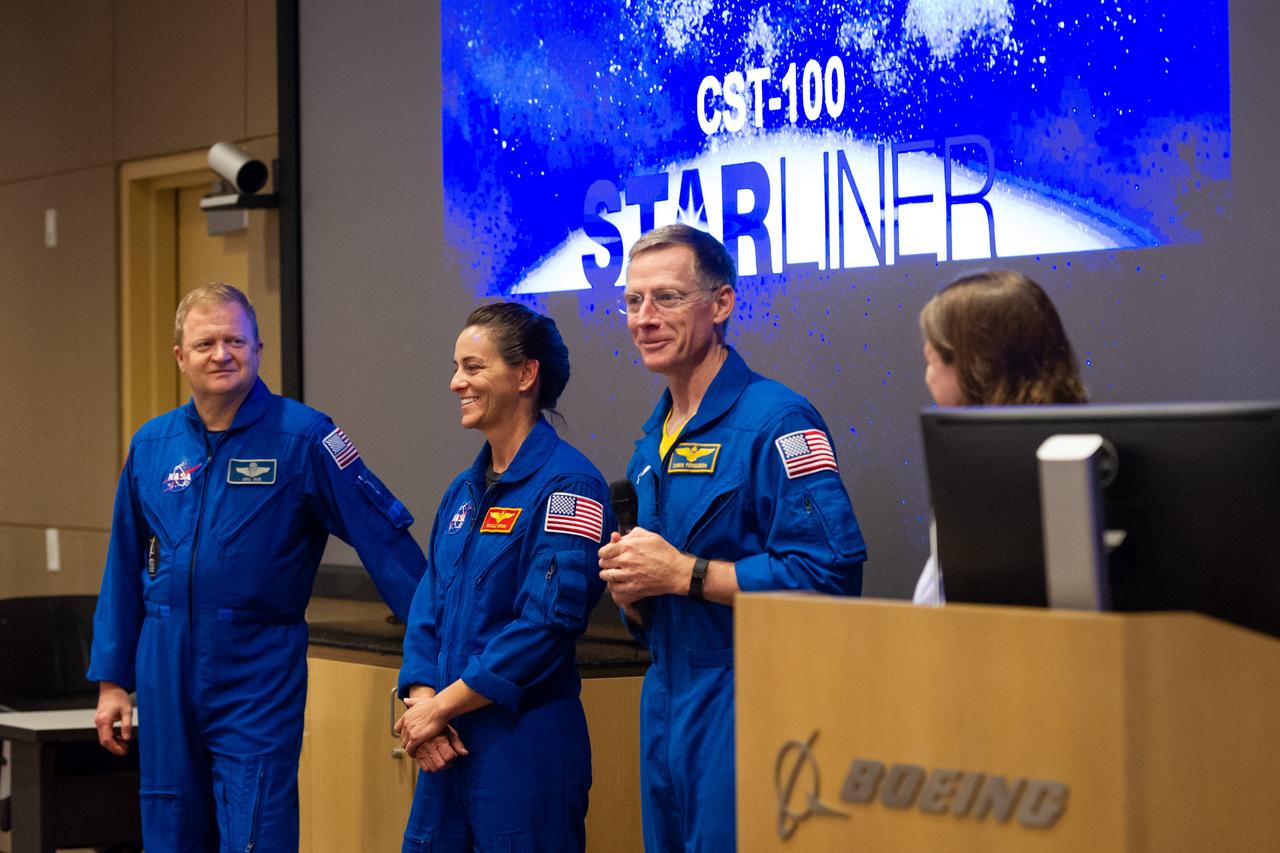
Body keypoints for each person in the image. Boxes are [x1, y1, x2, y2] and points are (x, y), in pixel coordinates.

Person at [88, 283, 426, 852]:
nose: (221, 354)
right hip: (163, 668)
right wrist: (112, 680)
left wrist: (431, 662)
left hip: (256, 671)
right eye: (205, 344)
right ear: (180, 357)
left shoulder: (306, 438)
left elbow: (387, 546)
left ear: (259, 349)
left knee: (256, 831)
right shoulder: (152, 445)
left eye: (234, 340)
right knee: (169, 831)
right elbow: (123, 568)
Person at [597, 224, 867, 851]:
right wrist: (636, 596)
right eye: (633, 301)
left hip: (747, 704)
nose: (644, 318)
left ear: (721, 305)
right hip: (665, 699)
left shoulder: (776, 420)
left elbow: (830, 576)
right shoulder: (650, 441)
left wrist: (684, 575)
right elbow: (662, 590)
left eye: (666, 297)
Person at [395, 303, 610, 852]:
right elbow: (428, 607)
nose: (455, 383)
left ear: (526, 374)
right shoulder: (461, 491)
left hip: (522, 749)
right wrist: (422, 701)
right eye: (456, 367)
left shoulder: (570, 486)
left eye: (472, 367)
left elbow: (545, 627)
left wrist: (441, 708)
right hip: (444, 745)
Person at [914, 269, 1088, 604]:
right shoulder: (973, 464)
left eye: (932, 361)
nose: (927, 378)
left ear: (976, 365)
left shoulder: (1003, 474)